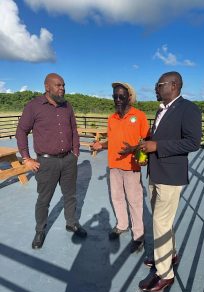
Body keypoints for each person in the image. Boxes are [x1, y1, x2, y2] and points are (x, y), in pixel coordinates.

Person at [137, 71, 202, 292]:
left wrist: (157, 147)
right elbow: (161, 138)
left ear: (173, 85)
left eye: (159, 84)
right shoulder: (161, 110)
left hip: (170, 176)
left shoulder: (188, 109)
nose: (155, 87)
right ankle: (169, 255)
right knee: (162, 221)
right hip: (156, 172)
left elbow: (193, 143)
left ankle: (165, 274)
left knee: (160, 223)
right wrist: (148, 148)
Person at [16, 73, 87, 249]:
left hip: (68, 160)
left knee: (70, 195)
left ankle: (71, 223)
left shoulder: (67, 106)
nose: (62, 88)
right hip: (46, 162)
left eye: (63, 85)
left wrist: (76, 152)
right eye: (58, 85)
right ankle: (40, 230)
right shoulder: (33, 106)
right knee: (44, 199)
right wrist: (26, 158)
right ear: (47, 87)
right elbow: (21, 132)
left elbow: (74, 130)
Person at [91, 82, 150, 253]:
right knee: (116, 198)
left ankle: (138, 236)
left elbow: (147, 140)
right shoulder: (112, 118)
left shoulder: (139, 116)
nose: (117, 99)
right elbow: (113, 141)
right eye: (114, 96)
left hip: (131, 167)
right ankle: (122, 225)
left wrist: (135, 151)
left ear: (129, 97)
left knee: (134, 201)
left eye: (121, 96)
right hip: (114, 165)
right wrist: (101, 146)